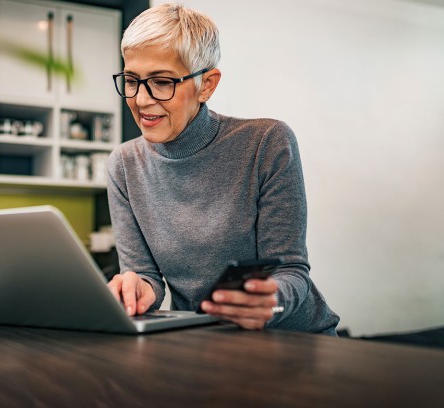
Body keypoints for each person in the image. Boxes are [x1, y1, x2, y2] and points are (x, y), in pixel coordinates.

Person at [106, 3, 339, 335]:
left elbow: (291, 271)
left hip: (292, 338)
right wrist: (138, 290)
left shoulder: (266, 142)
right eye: (131, 80)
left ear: (207, 85)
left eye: (161, 82)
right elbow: (146, 277)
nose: (141, 100)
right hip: (202, 341)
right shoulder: (124, 165)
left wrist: (269, 303)